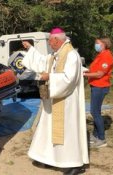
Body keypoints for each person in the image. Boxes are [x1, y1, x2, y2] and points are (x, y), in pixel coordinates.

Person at [22, 27, 89, 175]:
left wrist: (50, 77)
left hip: (66, 102)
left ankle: (73, 163)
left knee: (67, 131)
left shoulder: (71, 55)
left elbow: (69, 79)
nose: (49, 44)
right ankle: (49, 158)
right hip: (53, 101)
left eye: (50, 41)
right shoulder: (55, 55)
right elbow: (43, 62)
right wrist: (31, 49)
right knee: (49, 129)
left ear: (57, 40)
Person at [83, 37, 113, 148]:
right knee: (95, 111)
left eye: (98, 43)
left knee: (95, 112)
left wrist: (84, 75)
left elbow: (100, 74)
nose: (95, 45)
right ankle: (95, 135)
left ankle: (101, 139)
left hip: (100, 86)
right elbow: (94, 70)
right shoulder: (100, 55)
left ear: (104, 44)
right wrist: (86, 71)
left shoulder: (107, 56)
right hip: (96, 86)